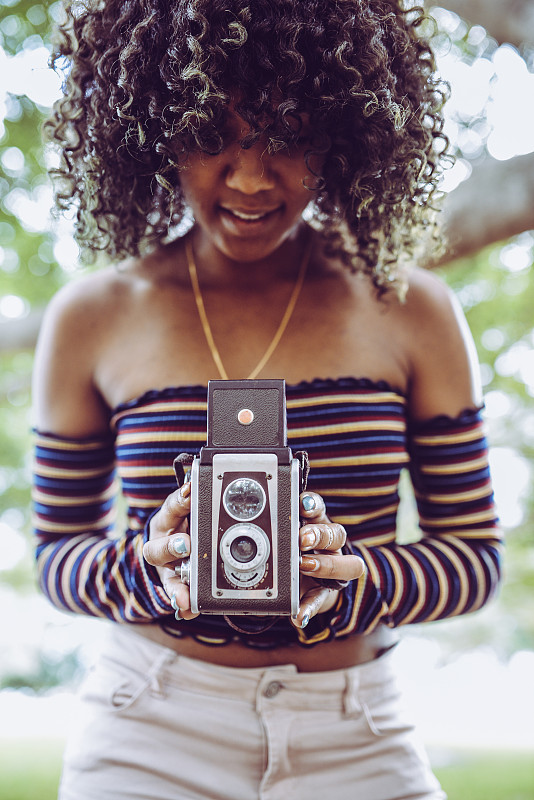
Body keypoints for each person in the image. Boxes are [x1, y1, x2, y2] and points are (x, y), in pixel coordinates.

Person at [32, 1, 502, 798]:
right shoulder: (92, 317)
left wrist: (358, 579)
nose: (251, 178)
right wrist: (149, 573)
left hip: (356, 732)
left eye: (288, 136)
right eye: (211, 134)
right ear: (154, 128)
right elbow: (55, 554)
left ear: (346, 134)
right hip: (149, 728)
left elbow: (475, 559)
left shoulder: (411, 309)